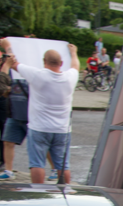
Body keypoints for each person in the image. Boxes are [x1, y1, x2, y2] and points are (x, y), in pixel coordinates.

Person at [8, 42, 79, 184]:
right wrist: (74, 52)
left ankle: (38, 193)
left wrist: (7, 47)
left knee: (37, 163)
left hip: (39, 128)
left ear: (44, 62)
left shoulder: (37, 75)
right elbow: (75, 66)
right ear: (61, 63)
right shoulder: (70, 78)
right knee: (63, 165)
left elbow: (13, 63)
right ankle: (65, 192)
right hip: (62, 129)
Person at [0, 76, 30, 181]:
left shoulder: (32, 74)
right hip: (13, 115)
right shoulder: (12, 77)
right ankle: (8, 171)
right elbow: (4, 94)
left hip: (31, 116)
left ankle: (54, 170)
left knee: (39, 143)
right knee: (8, 142)